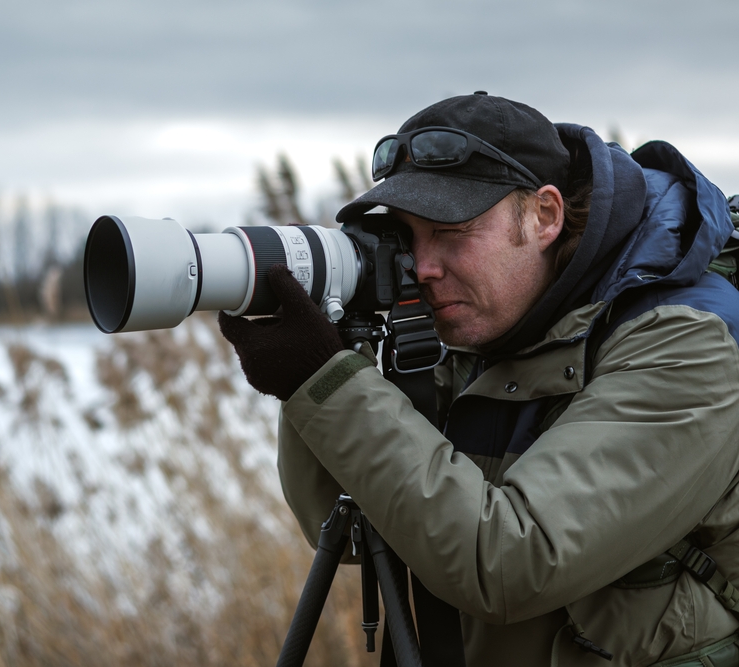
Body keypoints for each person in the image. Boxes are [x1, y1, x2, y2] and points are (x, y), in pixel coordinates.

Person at [218, 92, 739, 666]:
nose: (424, 266)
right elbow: (351, 528)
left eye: (452, 231)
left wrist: (329, 383)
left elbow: (511, 564)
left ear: (544, 215)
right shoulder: (489, 324)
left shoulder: (687, 344)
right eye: (409, 238)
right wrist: (326, 364)